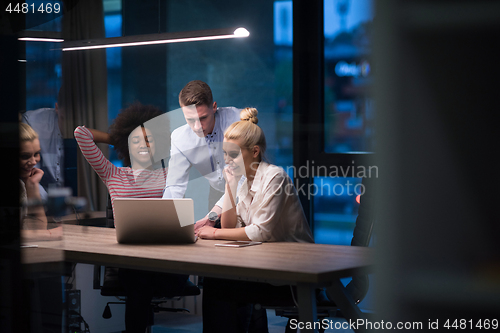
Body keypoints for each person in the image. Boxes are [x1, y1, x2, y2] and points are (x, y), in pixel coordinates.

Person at [197, 108, 314, 333]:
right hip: (264, 266)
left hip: (294, 275)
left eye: (233, 154)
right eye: (224, 154)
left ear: (255, 151)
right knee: (217, 281)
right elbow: (230, 226)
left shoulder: (275, 177)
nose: (226, 160)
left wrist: (213, 233)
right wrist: (230, 187)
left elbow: (259, 231)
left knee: (221, 285)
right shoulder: (241, 181)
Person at [74, 103, 188, 333]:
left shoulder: (170, 174)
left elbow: (187, 149)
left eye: (149, 140)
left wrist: (140, 136)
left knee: (142, 281)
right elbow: (81, 134)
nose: (143, 145)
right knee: (138, 278)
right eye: (136, 141)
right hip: (131, 259)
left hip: (166, 257)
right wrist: (119, 136)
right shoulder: (113, 174)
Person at [162, 80, 240, 227]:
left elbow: (244, 181)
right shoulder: (180, 138)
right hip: (217, 194)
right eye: (190, 120)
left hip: (248, 194)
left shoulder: (238, 121)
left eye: (203, 118)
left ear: (214, 107)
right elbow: (175, 186)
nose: (197, 127)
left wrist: (211, 217)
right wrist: (164, 219)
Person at [19, 122, 63, 242]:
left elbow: (37, 228)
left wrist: (32, 185)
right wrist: (50, 234)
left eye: (36, 154)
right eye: (25, 156)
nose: (33, 161)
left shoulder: (30, 182)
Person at [21, 89, 65, 197]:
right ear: (57, 107)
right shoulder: (32, 122)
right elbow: (28, 174)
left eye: (37, 154)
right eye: (65, 118)